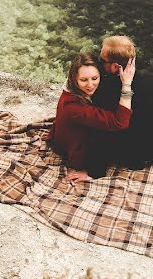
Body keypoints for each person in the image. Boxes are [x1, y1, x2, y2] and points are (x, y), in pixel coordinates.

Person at [86, 35, 153, 177]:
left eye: (101, 60)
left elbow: (99, 132)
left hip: (124, 155)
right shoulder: (150, 81)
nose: (98, 62)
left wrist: (94, 172)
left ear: (115, 66)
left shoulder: (101, 89)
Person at [47, 52, 134, 183]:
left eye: (94, 78)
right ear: (74, 78)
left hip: (67, 141)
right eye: (83, 80)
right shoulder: (73, 107)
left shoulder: (70, 89)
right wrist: (126, 85)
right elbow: (120, 122)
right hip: (81, 155)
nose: (90, 85)